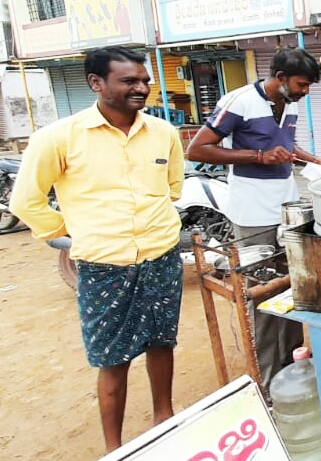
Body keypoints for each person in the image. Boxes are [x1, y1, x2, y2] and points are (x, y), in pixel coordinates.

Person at [9, 46, 185, 452]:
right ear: (96, 83)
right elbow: (26, 203)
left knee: (162, 343)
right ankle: (115, 447)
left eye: (144, 80)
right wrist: (74, 230)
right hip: (105, 266)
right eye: (129, 81)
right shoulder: (58, 138)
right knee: (113, 358)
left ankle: (165, 417)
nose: (141, 88)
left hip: (161, 257)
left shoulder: (164, 133)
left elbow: (172, 189)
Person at [185, 48, 321, 392]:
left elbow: (287, 146)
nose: (305, 91)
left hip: (286, 208)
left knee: (291, 288)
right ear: (280, 78)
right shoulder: (238, 102)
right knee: (262, 295)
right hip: (252, 213)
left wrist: (315, 160)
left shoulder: (289, 104)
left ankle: (293, 365)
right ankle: (269, 379)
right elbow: (197, 149)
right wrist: (258, 156)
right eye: (301, 84)